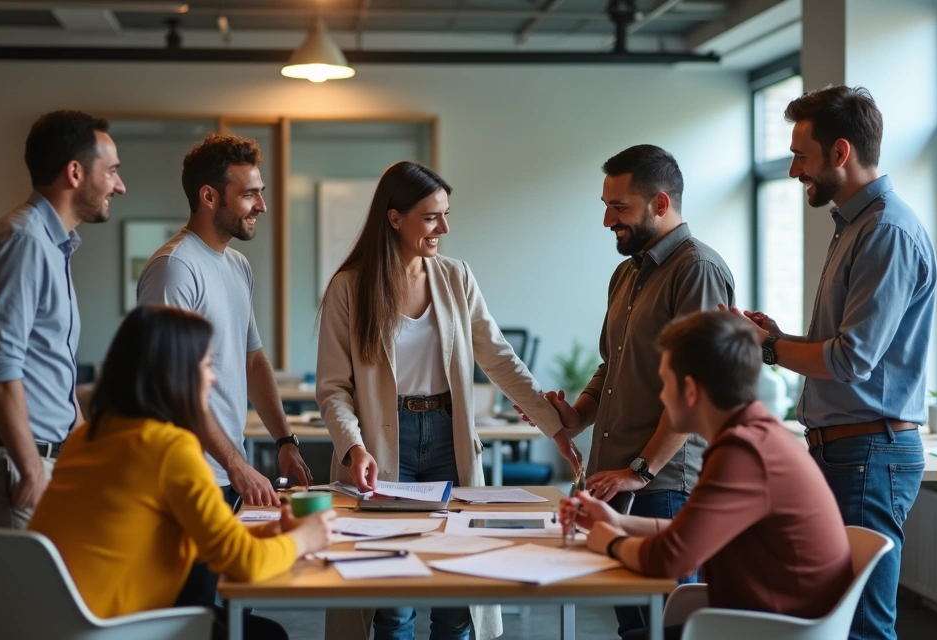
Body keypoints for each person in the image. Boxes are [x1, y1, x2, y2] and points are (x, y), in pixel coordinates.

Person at [316, 161, 579, 640]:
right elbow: (334, 388)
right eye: (432, 217)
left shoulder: (456, 277)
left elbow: (499, 359)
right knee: (391, 596)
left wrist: (554, 426)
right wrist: (353, 447)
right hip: (381, 443)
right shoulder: (349, 287)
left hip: (446, 438)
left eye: (446, 214)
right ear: (394, 218)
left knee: (458, 590)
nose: (444, 227)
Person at [727, 85, 936, 640]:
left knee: (863, 626)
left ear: (840, 152)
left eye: (801, 154)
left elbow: (851, 360)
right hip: (846, 450)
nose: (795, 170)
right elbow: (843, 347)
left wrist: (770, 348)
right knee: (830, 618)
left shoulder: (884, 231)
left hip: (867, 452)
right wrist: (776, 336)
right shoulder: (855, 226)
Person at [521, 144, 735, 637]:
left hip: (662, 487)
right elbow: (612, 366)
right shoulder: (627, 272)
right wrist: (575, 417)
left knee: (668, 627)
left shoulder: (696, 269)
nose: (606, 220)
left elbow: (698, 385)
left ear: (660, 204)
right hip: (615, 480)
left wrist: (642, 470)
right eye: (605, 205)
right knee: (635, 629)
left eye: (619, 207)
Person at [28, 304, 335, 640]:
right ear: (177, 374)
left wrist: (275, 533)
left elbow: (208, 542)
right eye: (206, 364)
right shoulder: (169, 449)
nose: (213, 377)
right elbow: (242, 564)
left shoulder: (86, 438)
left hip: (55, 622)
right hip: (114, 628)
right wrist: (303, 539)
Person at [563, 310, 854, 640]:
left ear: (690, 390)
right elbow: (688, 534)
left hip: (771, 631)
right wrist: (616, 522)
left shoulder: (744, 452)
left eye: (665, 384)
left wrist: (610, 542)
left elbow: (672, 559)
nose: (661, 397)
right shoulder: (754, 436)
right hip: (766, 623)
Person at [137, 133, 315, 610]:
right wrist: (236, 463)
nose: (262, 205)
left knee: (235, 604)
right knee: (199, 613)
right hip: (189, 474)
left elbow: (253, 359)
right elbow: (171, 386)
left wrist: (284, 442)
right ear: (209, 196)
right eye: (249, 194)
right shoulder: (174, 268)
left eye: (260, 191)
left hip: (226, 472)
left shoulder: (236, 264)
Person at [0, 110, 125, 529]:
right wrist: (29, 469)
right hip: (12, 466)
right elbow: (0, 367)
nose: (119, 185)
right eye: (112, 171)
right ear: (76, 172)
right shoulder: (24, 241)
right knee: (30, 597)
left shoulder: (49, 244)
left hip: (34, 460)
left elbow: (49, 372)